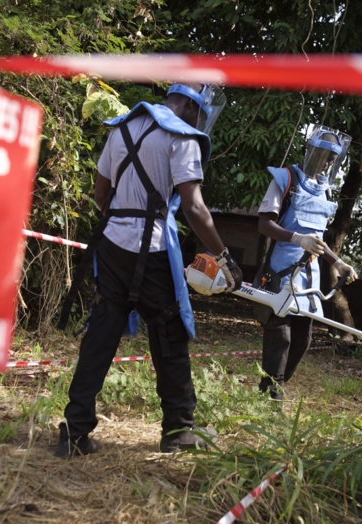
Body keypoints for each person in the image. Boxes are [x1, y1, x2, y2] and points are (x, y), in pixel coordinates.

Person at [56, 83, 243, 458]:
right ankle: (178, 430)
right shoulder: (183, 136)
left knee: (102, 332)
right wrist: (223, 256)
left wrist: (123, 222)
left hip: (111, 245)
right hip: (153, 249)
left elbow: (101, 193)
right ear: (193, 108)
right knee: (170, 334)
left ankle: (75, 431)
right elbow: (194, 208)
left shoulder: (122, 127)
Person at [254, 126, 358, 401]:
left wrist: (337, 263)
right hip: (281, 274)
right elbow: (264, 224)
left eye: (331, 159)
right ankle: (271, 397)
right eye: (324, 155)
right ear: (312, 151)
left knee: (303, 340)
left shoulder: (324, 192)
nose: (326, 162)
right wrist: (296, 238)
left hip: (308, 280)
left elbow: (320, 241)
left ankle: (271, 387)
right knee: (281, 336)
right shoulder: (285, 178)